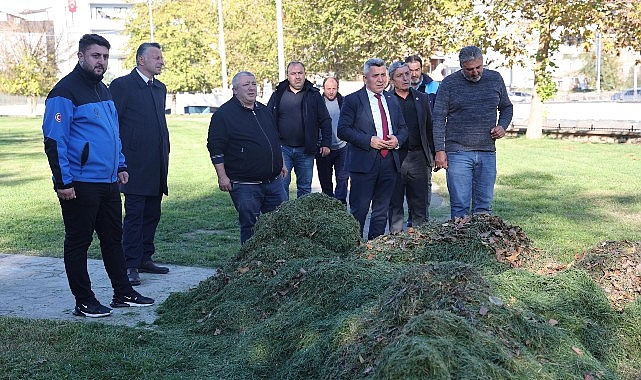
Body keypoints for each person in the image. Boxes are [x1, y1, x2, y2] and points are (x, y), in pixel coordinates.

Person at [42, 33, 154, 318]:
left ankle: (123, 292)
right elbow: (55, 141)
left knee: (113, 239)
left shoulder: (103, 90)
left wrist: (120, 165)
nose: (101, 61)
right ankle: (84, 300)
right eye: (95, 56)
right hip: (79, 184)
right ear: (81, 56)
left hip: (107, 183)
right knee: (78, 242)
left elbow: (113, 133)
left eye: (105, 56)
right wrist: (63, 182)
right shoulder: (64, 92)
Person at [110, 42, 170, 286]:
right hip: (133, 164)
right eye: (156, 57)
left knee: (152, 213)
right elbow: (113, 124)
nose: (161, 61)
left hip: (157, 163)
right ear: (141, 60)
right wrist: (119, 162)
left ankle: (146, 257)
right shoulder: (122, 85)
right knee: (134, 215)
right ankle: (130, 264)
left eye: (161, 57)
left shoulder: (159, 88)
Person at [432, 45, 513, 219]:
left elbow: (506, 107)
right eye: (469, 69)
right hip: (457, 152)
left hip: (487, 152)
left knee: (484, 207)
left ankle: (481, 244)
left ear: (483, 63)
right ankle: (459, 244)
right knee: (460, 207)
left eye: (478, 67)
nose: (475, 72)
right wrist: (440, 150)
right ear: (462, 67)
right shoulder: (449, 84)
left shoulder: (495, 79)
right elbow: (438, 117)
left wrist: (502, 126)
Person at [207, 71, 288, 244]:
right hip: (245, 186)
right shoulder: (224, 115)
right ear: (235, 90)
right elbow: (215, 147)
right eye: (246, 85)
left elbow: (274, 138)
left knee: (280, 223)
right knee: (251, 226)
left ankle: (275, 262)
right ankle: (249, 266)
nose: (251, 88)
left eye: (253, 84)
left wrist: (281, 162)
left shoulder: (263, 110)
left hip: (274, 182)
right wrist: (222, 176)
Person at [337, 58, 408, 240]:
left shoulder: (392, 99)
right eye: (375, 75)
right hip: (363, 164)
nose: (380, 79)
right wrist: (369, 140)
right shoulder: (352, 100)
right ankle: (354, 249)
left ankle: (374, 250)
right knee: (359, 210)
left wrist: (397, 140)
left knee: (381, 211)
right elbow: (342, 130)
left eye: (383, 75)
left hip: (389, 162)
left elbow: (403, 128)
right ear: (365, 78)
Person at [267, 61, 332, 199]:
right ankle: (283, 218)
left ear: (305, 74)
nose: (297, 77)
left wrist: (326, 143)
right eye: (293, 73)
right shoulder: (278, 94)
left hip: (306, 150)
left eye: (300, 73)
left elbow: (325, 120)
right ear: (288, 76)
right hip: (282, 149)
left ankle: (302, 219)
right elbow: (267, 120)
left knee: (304, 188)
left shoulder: (313, 95)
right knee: (281, 185)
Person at [387, 62, 435, 233]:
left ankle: (419, 244)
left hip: (418, 158)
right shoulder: (386, 100)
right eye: (400, 75)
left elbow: (429, 128)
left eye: (407, 74)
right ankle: (395, 243)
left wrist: (434, 154)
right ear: (391, 80)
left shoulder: (421, 98)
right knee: (395, 206)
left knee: (419, 205)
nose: (406, 78)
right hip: (394, 158)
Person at [315, 77, 348, 204]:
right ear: (324, 89)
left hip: (342, 147)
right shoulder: (318, 102)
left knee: (343, 178)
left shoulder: (344, 102)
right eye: (328, 88)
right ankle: (328, 205)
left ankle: (341, 204)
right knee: (325, 180)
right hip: (323, 147)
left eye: (334, 88)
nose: (331, 91)